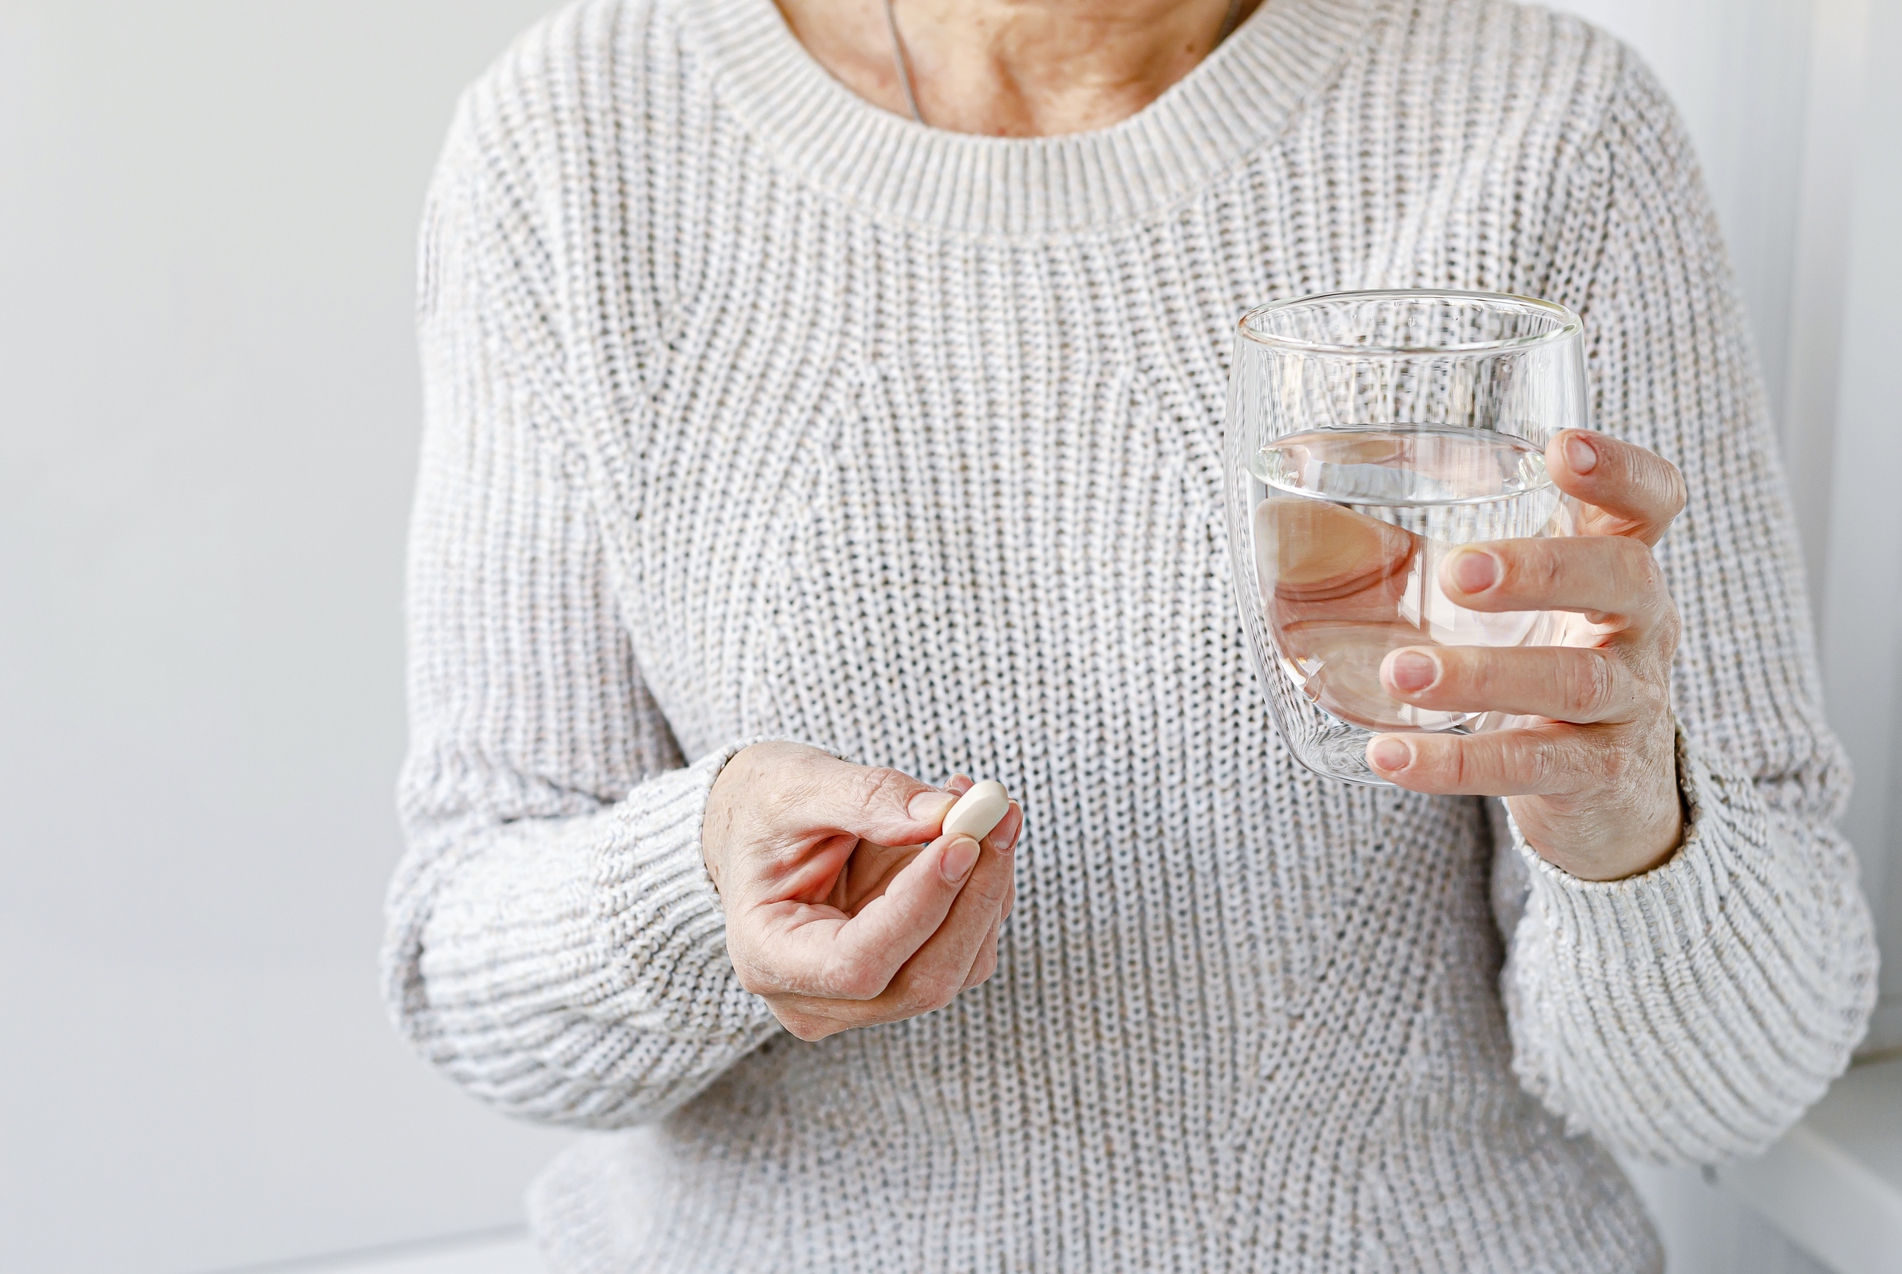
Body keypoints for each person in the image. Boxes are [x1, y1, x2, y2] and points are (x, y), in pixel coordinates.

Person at [383, 0, 1879, 1267]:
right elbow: (468, 960)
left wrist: (1625, 827)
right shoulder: (577, 139)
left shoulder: (1547, 124)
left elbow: (1726, 1086)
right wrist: (700, 891)